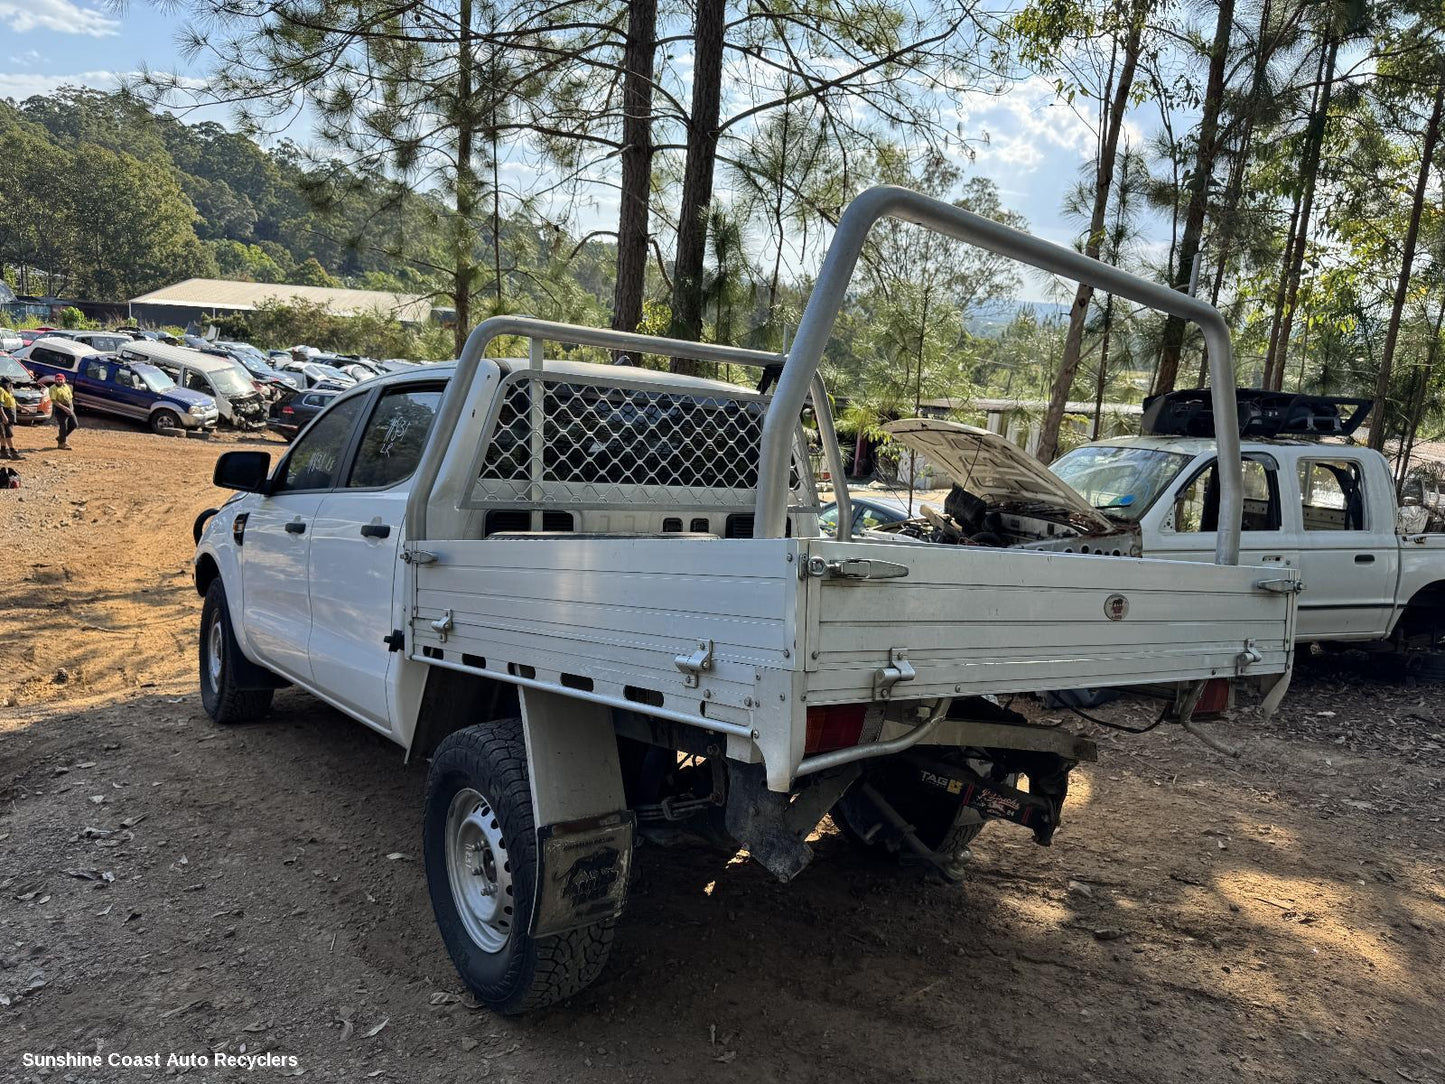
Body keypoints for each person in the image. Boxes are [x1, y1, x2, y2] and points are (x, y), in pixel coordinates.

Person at [49, 373, 77, 450]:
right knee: (63, 426)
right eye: (58, 380)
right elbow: (54, 401)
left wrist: (71, 408)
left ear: (64, 380)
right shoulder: (53, 388)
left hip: (69, 407)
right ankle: (62, 443)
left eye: (61, 379)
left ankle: (61, 437)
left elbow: (70, 398)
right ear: (55, 380)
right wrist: (65, 408)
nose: (59, 381)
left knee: (74, 424)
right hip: (60, 409)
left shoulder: (66, 386)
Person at [0, 377, 22, 460]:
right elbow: (0, 405)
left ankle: (3, 452)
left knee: (4, 433)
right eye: (10, 384)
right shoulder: (1, 390)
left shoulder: (9, 391)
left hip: (10, 414)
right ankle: (13, 452)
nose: (11, 385)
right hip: (5, 414)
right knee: (8, 433)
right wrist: (4, 416)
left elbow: (13, 402)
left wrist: (22, 407)